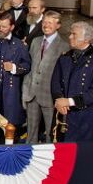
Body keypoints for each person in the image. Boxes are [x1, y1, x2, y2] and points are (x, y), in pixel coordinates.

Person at [51, 22, 93, 142]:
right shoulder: (64, 57)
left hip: (86, 118)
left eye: (74, 34)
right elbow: (55, 82)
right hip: (63, 115)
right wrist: (59, 100)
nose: (70, 37)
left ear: (87, 39)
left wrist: (69, 101)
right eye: (70, 34)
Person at [23, 11, 69, 143]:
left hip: (50, 96)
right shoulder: (35, 41)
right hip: (32, 95)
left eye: (50, 22)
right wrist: (26, 90)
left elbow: (63, 75)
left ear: (58, 25)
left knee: (51, 132)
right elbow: (30, 68)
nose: (46, 25)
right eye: (44, 22)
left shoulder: (64, 46)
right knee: (30, 132)